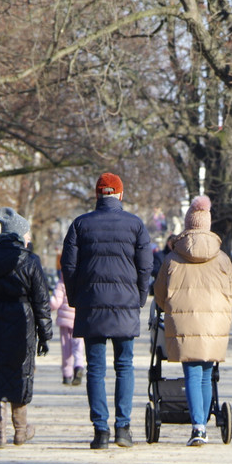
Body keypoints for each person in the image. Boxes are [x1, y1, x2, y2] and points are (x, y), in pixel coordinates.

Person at [61, 172, 152, 449]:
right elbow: (146, 267)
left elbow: (68, 266)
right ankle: (123, 428)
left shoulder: (80, 224)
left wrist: (76, 298)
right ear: (120, 195)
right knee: (124, 365)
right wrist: (139, 297)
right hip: (125, 303)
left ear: (97, 194)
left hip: (91, 303)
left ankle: (100, 432)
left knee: (95, 369)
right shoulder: (136, 225)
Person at [0, 207, 53, 449]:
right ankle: (20, 431)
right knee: (21, 372)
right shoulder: (30, 260)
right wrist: (45, 334)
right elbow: (41, 301)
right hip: (21, 319)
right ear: (19, 234)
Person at [154, 196, 232, 446]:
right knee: (206, 373)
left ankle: (198, 427)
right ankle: (203, 424)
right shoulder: (222, 259)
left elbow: (159, 293)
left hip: (184, 323)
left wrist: (170, 308)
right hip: (214, 325)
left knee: (191, 372)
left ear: (188, 225)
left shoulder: (172, 259)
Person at [49, 252, 86, 386]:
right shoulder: (81, 280)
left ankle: (67, 374)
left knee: (66, 348)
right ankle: (79, 366)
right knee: (78, 346)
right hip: (79, 319)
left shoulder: (62, 283)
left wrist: (47, 306)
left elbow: (55, 302)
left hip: (65, 321)